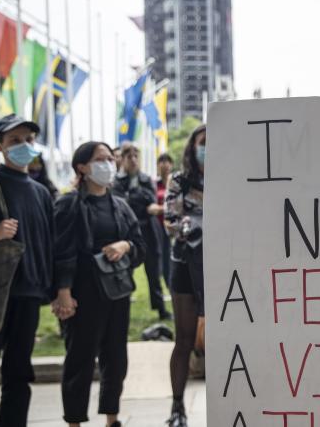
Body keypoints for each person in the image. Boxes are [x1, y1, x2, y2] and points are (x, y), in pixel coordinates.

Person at [52, 141, 145, 427]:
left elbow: (141, 247)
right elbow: (60, 251)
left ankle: (112, 418)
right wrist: (63, 292)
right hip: (83, 294)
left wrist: (126, 245)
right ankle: (75, 421)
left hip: (117, 292)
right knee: (80, 361)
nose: (108, 164)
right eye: (100, 159)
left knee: (115, 360)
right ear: (82, 167)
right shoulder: (69, 204)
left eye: (110, 159)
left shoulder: (120, 205)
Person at [0, 114, 54, 427]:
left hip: (28, 294)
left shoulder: (41, 192)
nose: (23, 146)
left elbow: (49, 244)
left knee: (19, 377)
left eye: (28, 140)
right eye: (14, 141)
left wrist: (55, 289)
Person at [165, 125, 206, 427]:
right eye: (204, 142)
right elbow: (171, 221)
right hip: (185, 265)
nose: (209, 147)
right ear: (193, 147)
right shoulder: (179, 180)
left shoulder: (232, 178)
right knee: (184, 338)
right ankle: (177, 407)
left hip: (222, 266)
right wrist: (199, 226)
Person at [112, 144, 170, 320]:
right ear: (122, 159)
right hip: (128, 232)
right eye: (129, 156)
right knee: (125, 272)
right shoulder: (117, 181)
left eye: (136, 155)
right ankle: (123, 310)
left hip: (149, 231)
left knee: (154, 272)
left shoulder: (145, 179)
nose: (133, 159)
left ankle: (160, 308)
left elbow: (150, 201)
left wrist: (135, 198)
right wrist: (141, 201)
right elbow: (122, 204)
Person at [155, 153, 174, 286]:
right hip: (158, 226)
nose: (165, 164)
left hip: (173, 225)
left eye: (167, 161)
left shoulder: (175, 183)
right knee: (160, 257)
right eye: (162, 161)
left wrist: (161, 208)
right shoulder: (153, 184)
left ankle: (170, 284)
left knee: (169, 257)